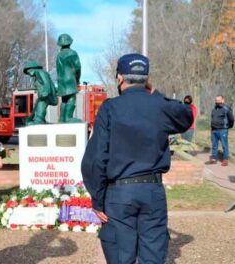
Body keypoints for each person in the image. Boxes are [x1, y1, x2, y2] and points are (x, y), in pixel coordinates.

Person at [81, 53, 193, 264]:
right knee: (153, 255)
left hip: (119, 193)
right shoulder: (159, 106)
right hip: (153, 191)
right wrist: (156, 94)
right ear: (146, 80)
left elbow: (96, 158)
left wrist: (98, 198)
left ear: (120, 78)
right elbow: (186, 116)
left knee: (121, 256)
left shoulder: (110, 108)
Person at [56, 33, 81, 123]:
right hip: (70, 79)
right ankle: (68, 117)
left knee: (64, 99)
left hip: (61, 81)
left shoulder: (59, 55)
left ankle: (62, 118)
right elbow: (78, 68)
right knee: (71, 98)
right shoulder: (73, 53)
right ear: (70, 42)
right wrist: (77, 80)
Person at [206, 95, 234, 166]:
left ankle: (225, 159)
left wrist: (229, 126)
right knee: (214, 145)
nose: (217, 102)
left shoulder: (226, 109)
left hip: (223, 130)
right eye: (216, 100)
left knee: (224, 145)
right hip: (214, 130)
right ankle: (213, 159)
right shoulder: (214, 109)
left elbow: (231, 119)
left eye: (219, 100)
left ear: (222, 100)